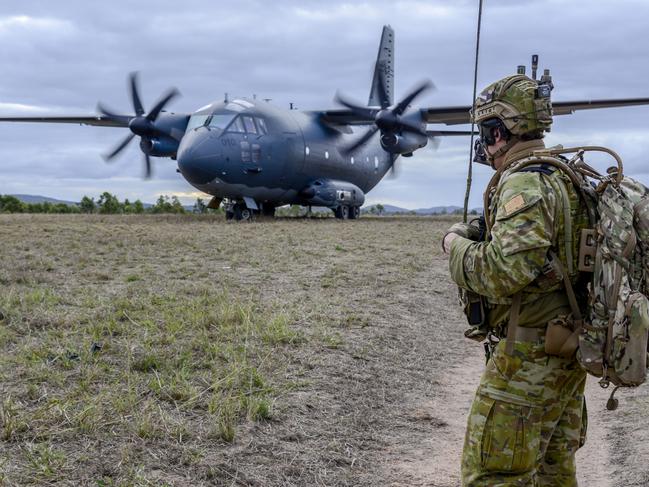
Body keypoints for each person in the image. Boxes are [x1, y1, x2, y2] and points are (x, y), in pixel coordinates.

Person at [443, 74, 590, 486]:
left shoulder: (525, 181)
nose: (484, 146)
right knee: (553, 473)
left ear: (499, 131)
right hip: (566, 353)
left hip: (528, 356)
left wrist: (453, 246)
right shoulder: (565, 175)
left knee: (490, 474)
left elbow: (502, 272)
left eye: (486, 133)